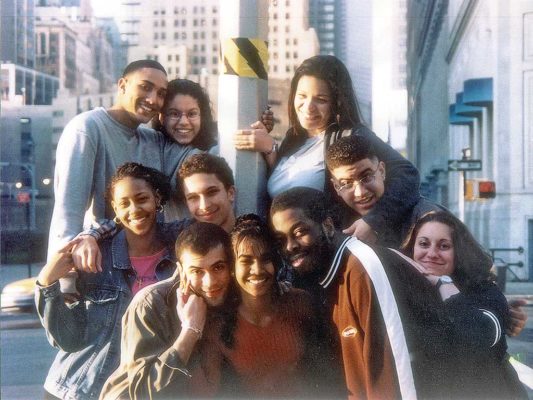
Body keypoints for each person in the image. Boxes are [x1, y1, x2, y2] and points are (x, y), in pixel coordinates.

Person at [270, 187, 459, 400]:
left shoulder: (364, 268)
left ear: (328, 226)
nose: (290, 246)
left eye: (299, 232)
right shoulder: (315, 274)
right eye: (281, 239)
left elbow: (396, 369)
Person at [36, 163, 191, 400]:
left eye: (142, 199)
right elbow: (67, 339)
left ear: (157, 198)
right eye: (125, 203)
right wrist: (46, 281)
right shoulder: (95, 256)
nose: (135, 209)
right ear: (115, 208)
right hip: (78, 390)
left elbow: (205, 224)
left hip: (143, 390)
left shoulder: (179, 253)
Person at [235, 55, 420, 244]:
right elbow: (289, 187)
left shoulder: (350, 136)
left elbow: (407, 174)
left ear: (337, 102)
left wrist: (373, 222)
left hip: (328, 252)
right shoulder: (293, 138)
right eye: (302, 96)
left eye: (321, 99)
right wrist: (270, 149)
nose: (308, 107)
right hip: (287, 249)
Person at [48, 60, 200, 259]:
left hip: (149, 267)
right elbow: (68, 214)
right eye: (145, 87)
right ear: (122, 85)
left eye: (161, 94)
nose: (153, 99)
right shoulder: (87, 129)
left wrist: (251, 142)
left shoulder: (154, 140)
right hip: (101, 270)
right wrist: (64, 281)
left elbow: (206, 162)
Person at [99, 222, 236, 400]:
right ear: (181, 271)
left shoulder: (236, 295)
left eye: (218, 267)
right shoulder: (150, 304)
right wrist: (189, 331)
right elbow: (144, 394)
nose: (209, 282)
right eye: (197, 271)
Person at [401, 211, 528, 399]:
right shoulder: (404, 290)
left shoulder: (485, 290)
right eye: (423, 244)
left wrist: (444, 283)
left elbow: (478, 337)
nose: (431, 254)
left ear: (459, 251)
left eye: (444, 246)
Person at [205, 214, 326, 397]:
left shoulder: (300, 303)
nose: (257, 269)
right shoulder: (218, 327)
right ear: (232, 268)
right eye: (246, 261)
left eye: (265, 259)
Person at [326, 135, 446, 248]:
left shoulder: (428, 218)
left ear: (382, 171)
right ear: (336, 187)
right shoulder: (333, 227)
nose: (360, 192)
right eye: (347, 183)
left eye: (367, 177)